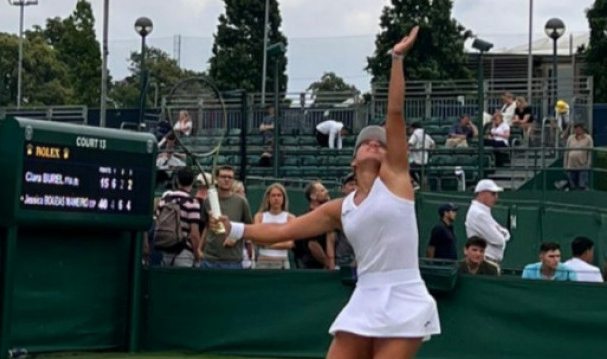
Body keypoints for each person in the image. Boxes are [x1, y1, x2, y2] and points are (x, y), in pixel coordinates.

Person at [212, 27, 439, 359]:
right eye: (367, 142)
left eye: (381, 143)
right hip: (366, 295)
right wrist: (233, 228)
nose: (375, 144)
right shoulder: (339, 208)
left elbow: (394, 113)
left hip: (406, 294)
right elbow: (286, 229)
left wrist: (396, 59)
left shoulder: (396, 180)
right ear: (354, 156)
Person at [464, 179, 509, 265]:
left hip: (488, 261)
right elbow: (499, 240)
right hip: (484, 261)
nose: (496, 197)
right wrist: (501, 235)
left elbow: (506, 233)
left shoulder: (483, 212)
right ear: (482, 194)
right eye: (493, 194)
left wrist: (502, 234)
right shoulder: (478, 213)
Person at [253, 183, 295, 269]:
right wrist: (278, 242)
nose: (276, 198)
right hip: (263, 260)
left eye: (279, 195)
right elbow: (256, 239)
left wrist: (268, 244)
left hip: (282, 261)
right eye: (273, 195)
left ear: (283, 198)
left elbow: (289, 243)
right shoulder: (259, 217)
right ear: (268, 198)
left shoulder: (290, 218)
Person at [564, 124, 593, 190]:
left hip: (583, 165)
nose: (577, 130)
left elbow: (590, 152)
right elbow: (566, 152)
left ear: (582, 130)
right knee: (572, 185)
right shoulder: (570, 138)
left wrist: (589, 164)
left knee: (582, 185)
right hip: (571, 166)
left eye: (579, 128)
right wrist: (565, 165)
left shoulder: (588, 138)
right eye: (576, 128)